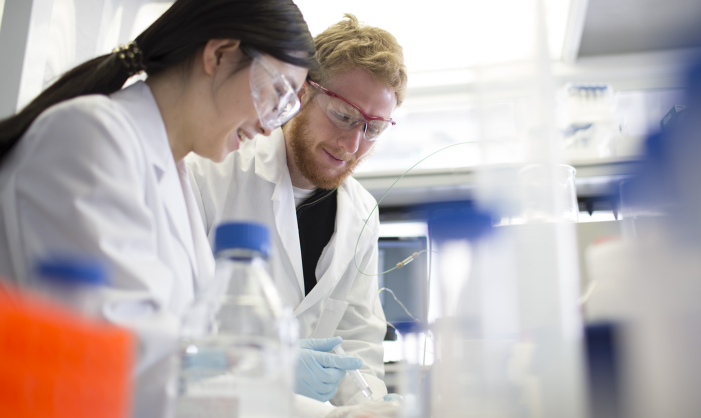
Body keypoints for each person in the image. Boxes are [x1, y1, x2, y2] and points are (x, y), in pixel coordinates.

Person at [0, 0, 317, 416]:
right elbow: (129, 362)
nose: (269, 125)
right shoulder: (91, 136)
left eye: (286, 109)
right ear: (219, 54)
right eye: (277, 95)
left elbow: (196, 362)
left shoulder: (176, 175)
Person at [187, 13, 408, 406]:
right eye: (343, 115)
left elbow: (359, 342)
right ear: (303, 91)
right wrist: (266, 366)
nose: (352, 144)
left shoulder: (362, 213)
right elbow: (173, 327)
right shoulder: (214, 171)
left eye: (372, 129)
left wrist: (370, 407)